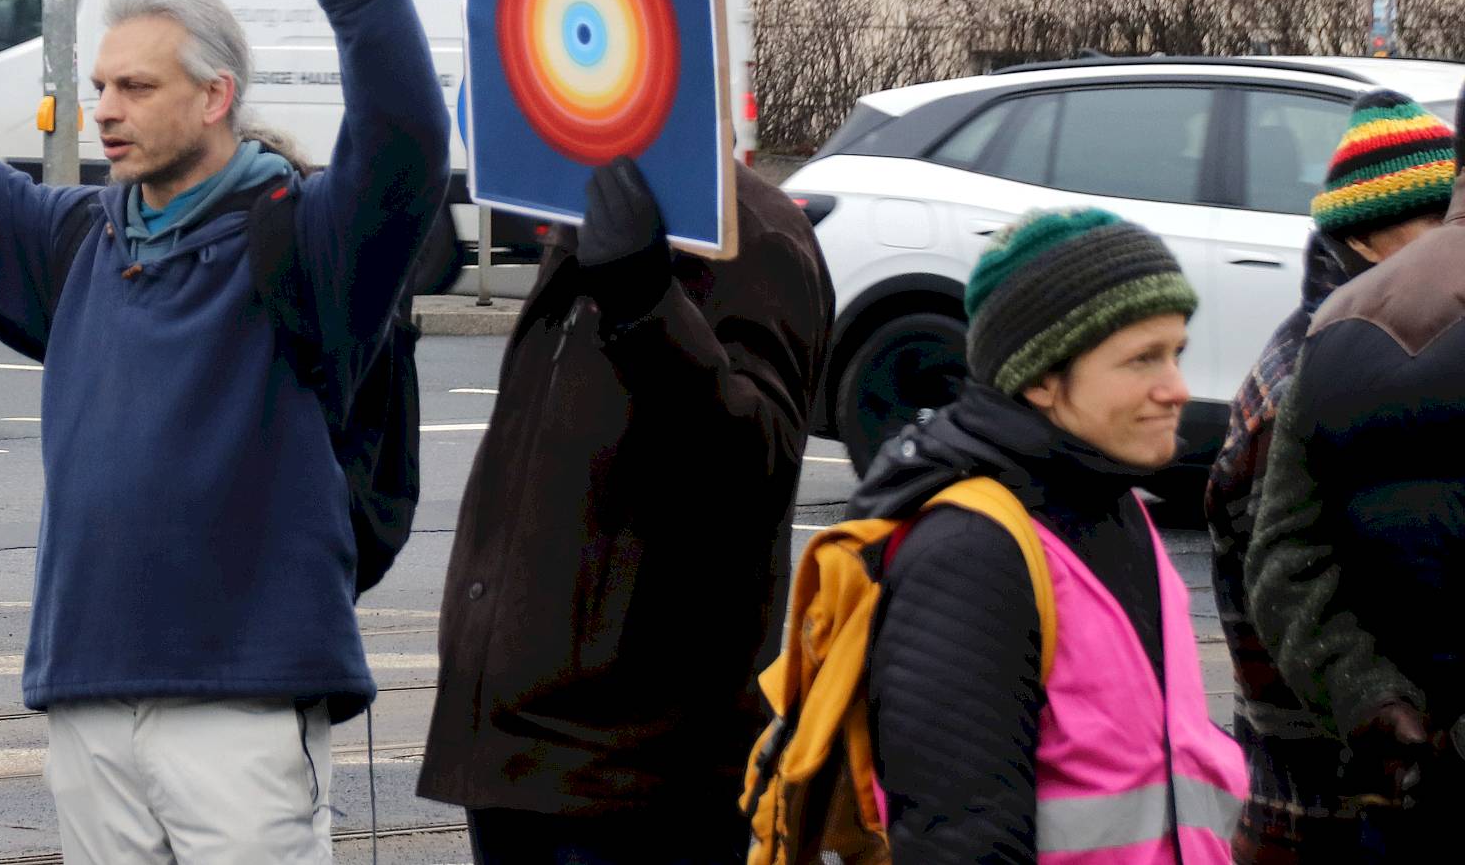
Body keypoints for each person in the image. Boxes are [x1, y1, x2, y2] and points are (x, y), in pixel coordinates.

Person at [0, 0, 448, 863]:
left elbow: (402, 144)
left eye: (136, 87)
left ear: (217, 96)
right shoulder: (76, 240)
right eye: (99, 88)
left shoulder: (304, 240)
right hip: (88, 691)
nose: (107, 111)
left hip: (246, 700)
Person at [415, 156, 831, 864]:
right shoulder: (583, 214)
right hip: (519, 747)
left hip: (634, 770)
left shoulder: (751, 233)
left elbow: (750, 471)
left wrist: (644, 297)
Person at [853, 207, 1244, 865]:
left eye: (1176, 352)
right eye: (1142, 358)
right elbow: (959, 842)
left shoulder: (1115, 505)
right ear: (1039, 377)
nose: (1177, 388)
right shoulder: (969, 556)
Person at [1206, 89, 1455, 863]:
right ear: (1377, 237)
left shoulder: (1346, 345)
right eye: (1436, 219)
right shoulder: (1310, 380)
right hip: (1320, 808)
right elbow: (1287, 588)